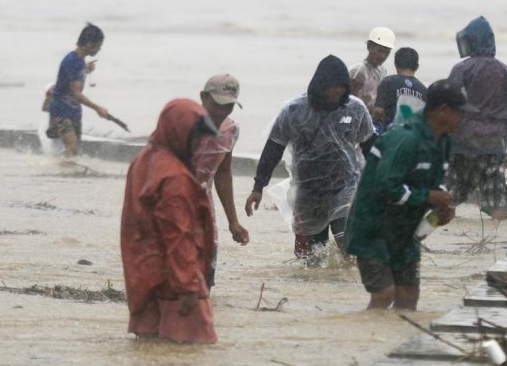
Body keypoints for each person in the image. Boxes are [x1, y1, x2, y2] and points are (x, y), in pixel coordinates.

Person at [344, 80, 476, 310]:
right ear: (443, 110)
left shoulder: (443, 141)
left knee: (409, 297)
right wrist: (428, 197)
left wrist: (443, 205)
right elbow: (386, 186)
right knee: (384, 294)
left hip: (405, 233)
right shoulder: (405, 139)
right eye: (460, 113)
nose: (463, 119)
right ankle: (367, 341)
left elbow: (433, 183)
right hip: (374, 231)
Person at [244, 55, 373, 264]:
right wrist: (258, 186)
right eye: (332, 87)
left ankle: (351, 290)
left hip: (344, 188)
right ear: (320, 85)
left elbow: (370, 147)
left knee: (349, 248)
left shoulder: (355, 108)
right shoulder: (294, 110)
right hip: (308, 194)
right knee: (310, 260)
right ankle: (315, 295)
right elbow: (274, 148)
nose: (337, 92)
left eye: (342, 87)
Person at [120, 99, 220, 344]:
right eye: (194, 138)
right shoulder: (175, 178)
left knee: (151, 352)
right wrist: (188, 287)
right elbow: (179, 235)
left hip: (143, 276)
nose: (197, 146)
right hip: (176, 285)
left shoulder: (143, 160)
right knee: (195, 356)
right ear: (179, 134)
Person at [446, 16, 507, 220]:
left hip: (462, 143)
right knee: (496, 198)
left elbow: (448, 106)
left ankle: (442, 227)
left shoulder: (461, 69)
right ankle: (498, 235)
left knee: (449, 196)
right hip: (495, 144)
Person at [193, 74, 250, 287]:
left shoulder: (230, 130)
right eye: (217, 104)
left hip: (203, 209)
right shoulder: (182, 124)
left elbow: (223, 173)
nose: (221, 112)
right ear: (203, 97)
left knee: (205, 277)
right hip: (171, 206)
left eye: (228, 106)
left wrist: (233, 222)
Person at [47, 23, 111, 158]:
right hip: (61, 110)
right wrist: (97, 108)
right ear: (88, 44)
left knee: (74, 148)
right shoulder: (72, 61)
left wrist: (86, 70)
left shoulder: (80, 61)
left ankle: (63, 168)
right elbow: (76, 93)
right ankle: (65, 173)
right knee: (71, 145)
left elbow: (73, 78)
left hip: (73, 111)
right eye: (98, 45)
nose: (99, 48)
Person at [372, 47, 425, 131]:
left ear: (395, 64)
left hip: (391, 134)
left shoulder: (388, 82)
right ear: (417, 67)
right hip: (414, 136)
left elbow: (378, 111)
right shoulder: (422, 88)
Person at [349, 27, 396, 117]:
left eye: (387, 53)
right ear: (369, 47)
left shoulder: (382, 70)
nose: (382, 56)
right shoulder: (359, 72)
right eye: (379, 51)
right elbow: (350, 102)